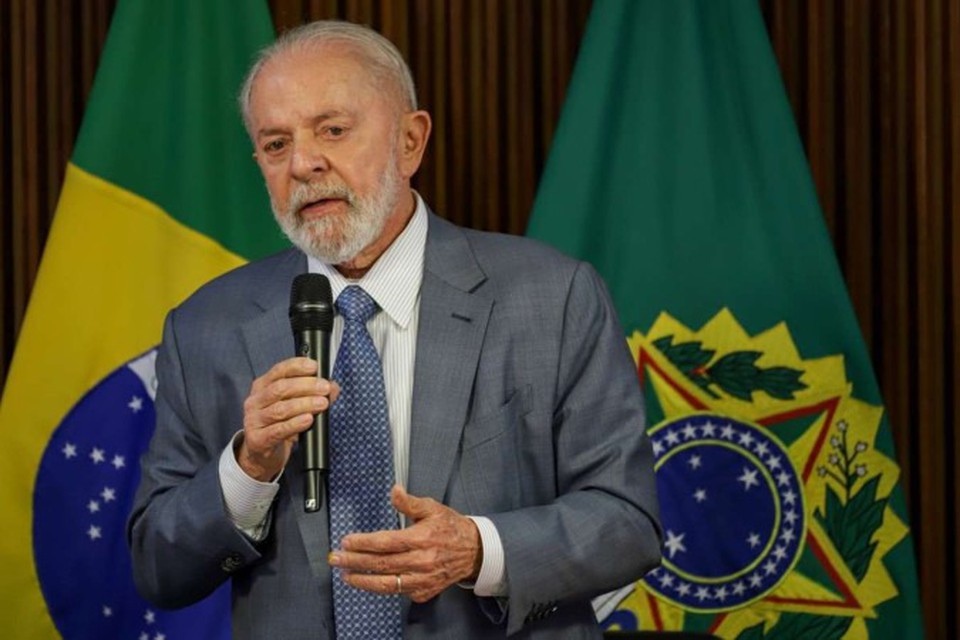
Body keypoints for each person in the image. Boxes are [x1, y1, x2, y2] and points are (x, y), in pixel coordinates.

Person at [128, 19, 661, 640]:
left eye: (333, 130)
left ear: (410, 142)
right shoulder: (205, 328)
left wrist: (479, 549)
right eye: (276, 145)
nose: (303, 163)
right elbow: (158, 570)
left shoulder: (554, 297)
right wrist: (249, 468)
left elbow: (629, 523)